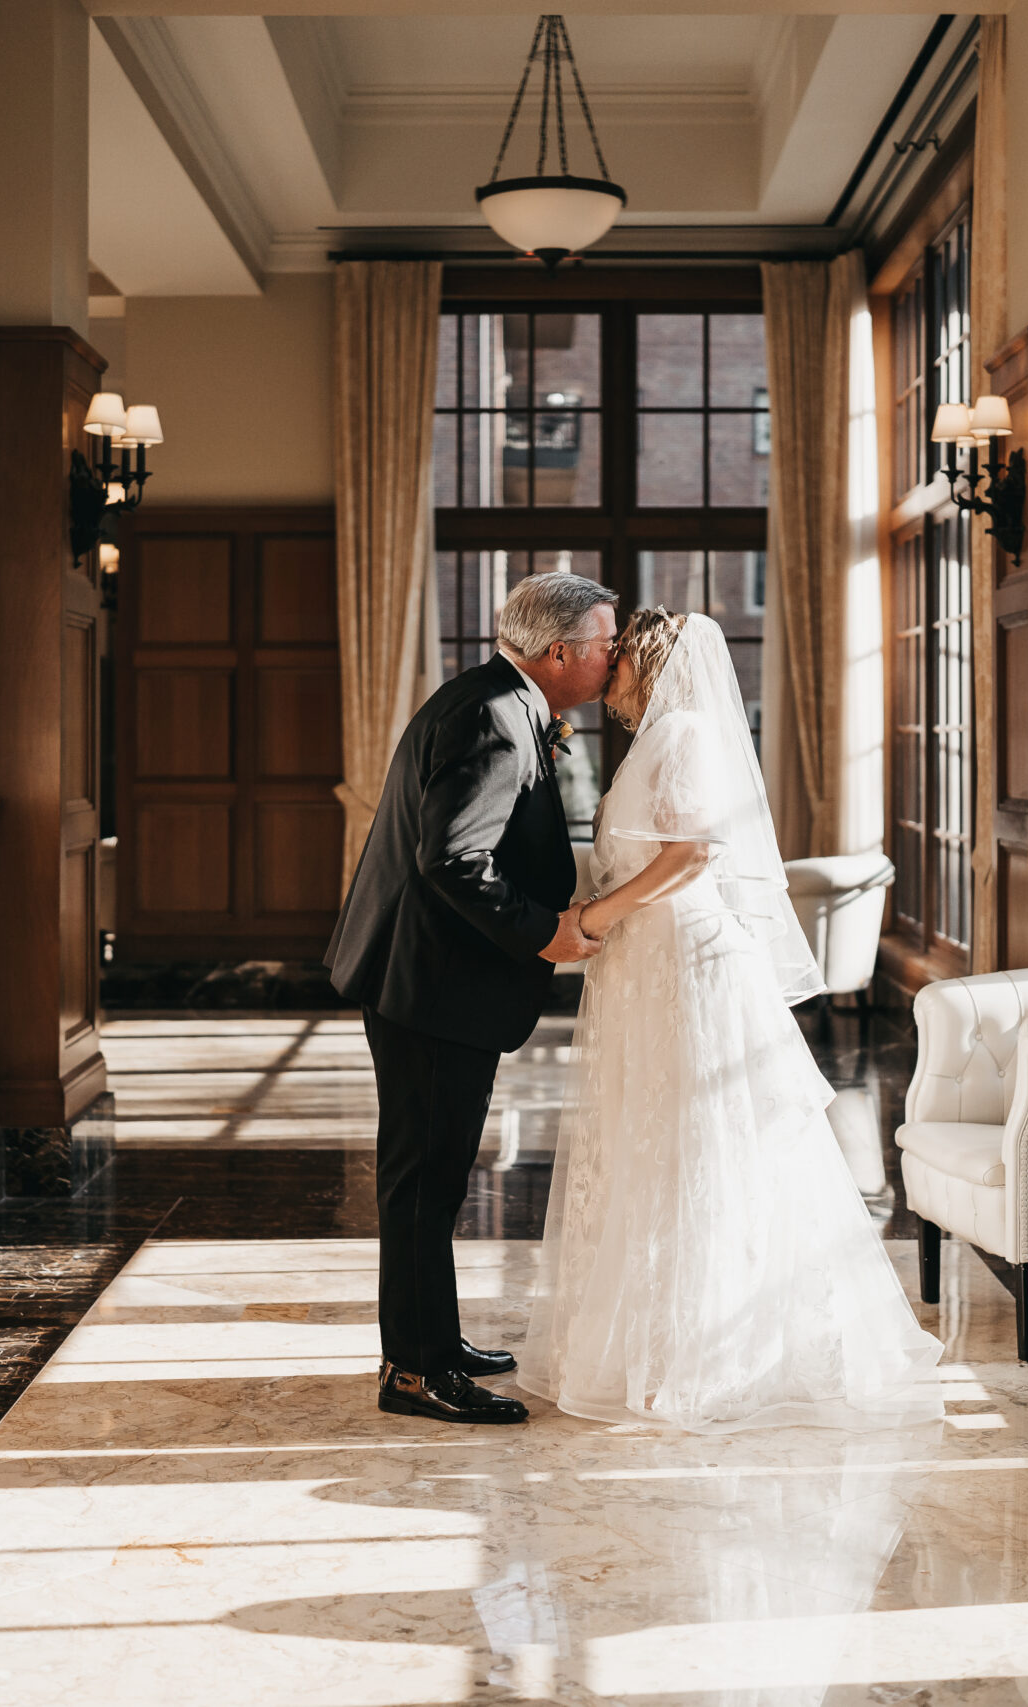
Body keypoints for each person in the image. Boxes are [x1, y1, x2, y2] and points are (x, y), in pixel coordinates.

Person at [518, 608, 945, 1433]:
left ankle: (704, 1350)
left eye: (618, 658)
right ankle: (653, 1339)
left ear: (648, 662)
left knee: (690, 1145)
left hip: (683, 961)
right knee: (654, 1143)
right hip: (647, 964)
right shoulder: (658, 737)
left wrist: (597, 916)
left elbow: (692, 854)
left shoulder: (683, 733)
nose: (607, 674)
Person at [326, 571, 618, 1425]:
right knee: (423, 1181)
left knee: (436, 1177)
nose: (612, 658)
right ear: (559, 651)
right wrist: (542, 933)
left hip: (433, 980)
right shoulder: (493, 716)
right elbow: (454, 859)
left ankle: (433, 1342)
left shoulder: (499, 701)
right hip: (430, 987)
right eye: (604, 645)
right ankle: (416, 1372)